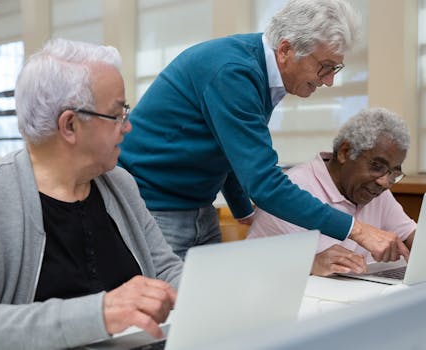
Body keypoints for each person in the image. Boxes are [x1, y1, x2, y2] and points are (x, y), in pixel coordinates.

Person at [118, 0, 409, 262]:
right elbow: (265, 184)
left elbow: (227, 146)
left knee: (203, 308)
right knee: (171, 313)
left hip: (196, 207)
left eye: (336, 68)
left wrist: (242, 208)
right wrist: (357, 230)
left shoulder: (258, 71)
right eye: (324, 67)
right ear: (285, 50)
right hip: (154, 206)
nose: (329, 81)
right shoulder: (234, 72)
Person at [0, 38, 183, 349]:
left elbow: (166, 270)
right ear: (70, 125)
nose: (127, 126)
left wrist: (213, 292)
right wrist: (99, 314)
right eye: (118, 114)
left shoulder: (119, 184)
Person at [248, 107, 417, 276]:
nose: (385, 182)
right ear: (345, 153)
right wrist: (310, 265)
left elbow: (413, 236)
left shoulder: (375, 192)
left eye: (393, 172)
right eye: (377, 166)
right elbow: (254, 268)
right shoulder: (291, 191)